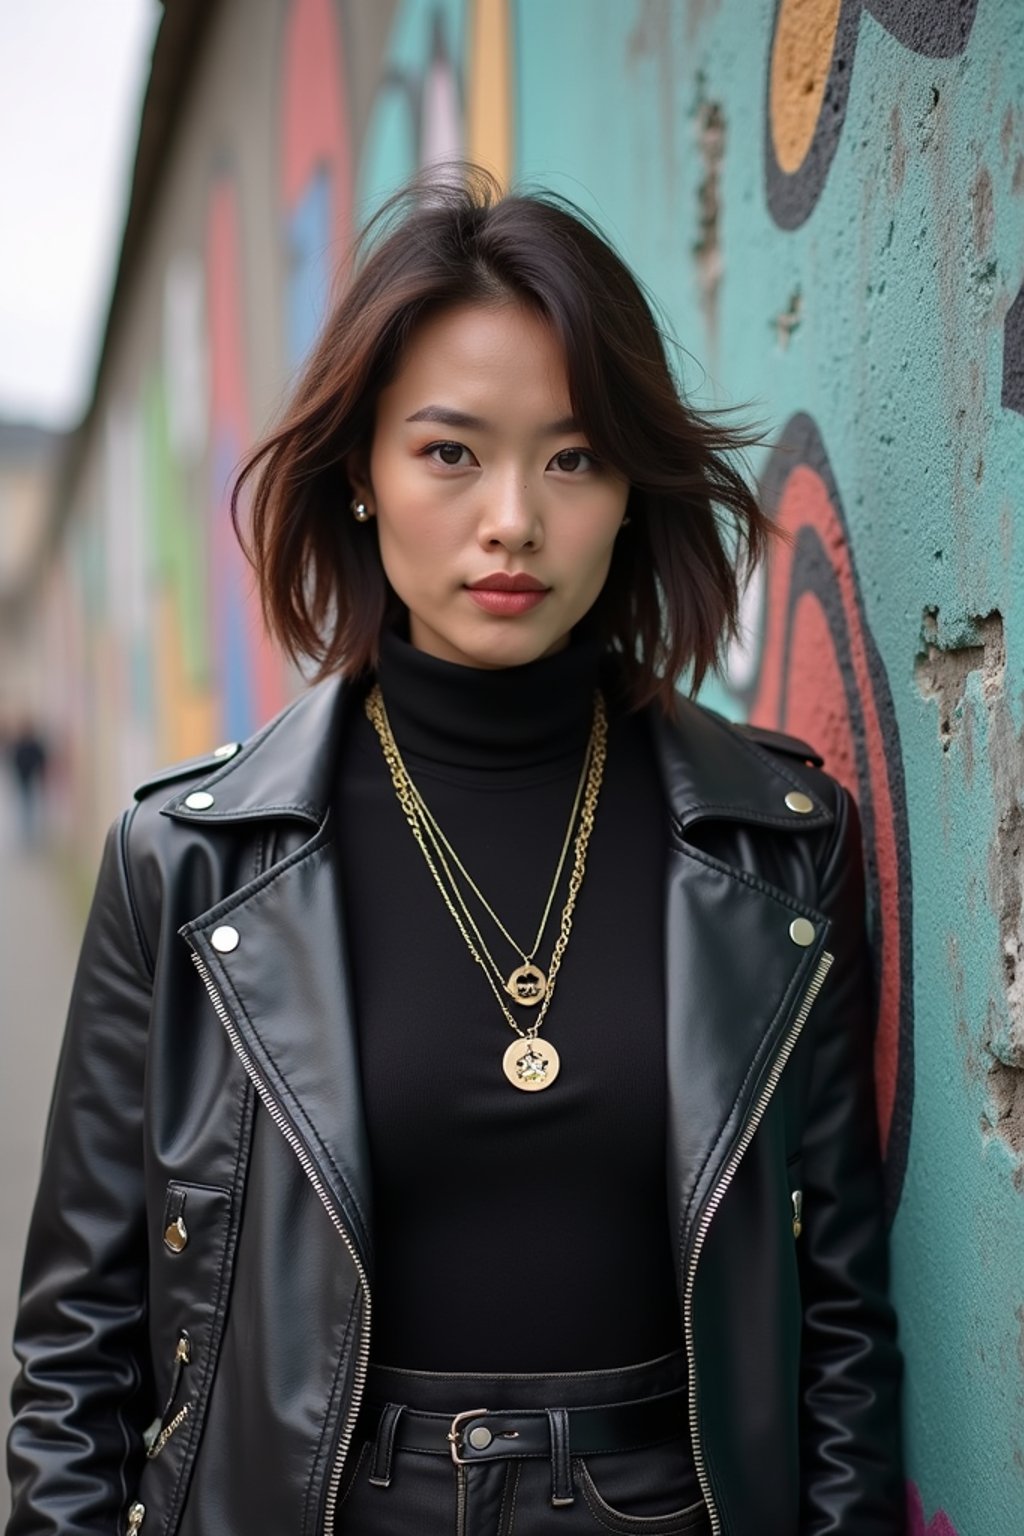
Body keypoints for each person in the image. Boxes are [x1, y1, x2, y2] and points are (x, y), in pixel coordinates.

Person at [6, 164, 904, 1536]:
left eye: (573, 456)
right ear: (361, 472)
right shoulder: (191, 866)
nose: (512, 522)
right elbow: (76, 1355)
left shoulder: (773, 848)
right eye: (449, 451)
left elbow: (841, 1323)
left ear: (628, 488)